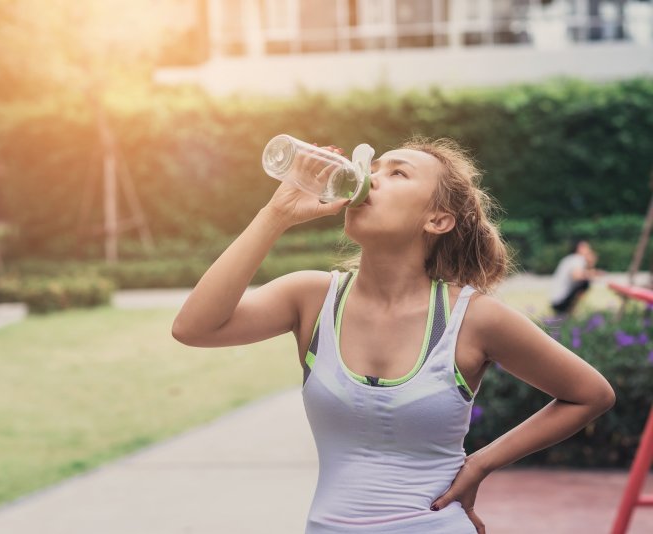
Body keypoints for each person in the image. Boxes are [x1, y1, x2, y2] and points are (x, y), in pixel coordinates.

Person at [171, 137, 615, 533]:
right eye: (374, 167)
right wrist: (275, 216)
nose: (369, 178)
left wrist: (481, 463)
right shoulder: (310, 298)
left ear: (437, 220)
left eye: (397, 172)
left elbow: (590, 394)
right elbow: (193, 328)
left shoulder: (472, 318)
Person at [549, 239, 603, 317]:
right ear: (580, 248)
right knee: (585, 282)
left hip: (555, 299)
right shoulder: (578, 259)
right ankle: (571, 311)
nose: (589, 250)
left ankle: (571, 311)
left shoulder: (570, 259)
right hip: (561, 301)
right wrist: (593, 273)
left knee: (585, 281)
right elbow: (576, 276)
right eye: (587, 248)